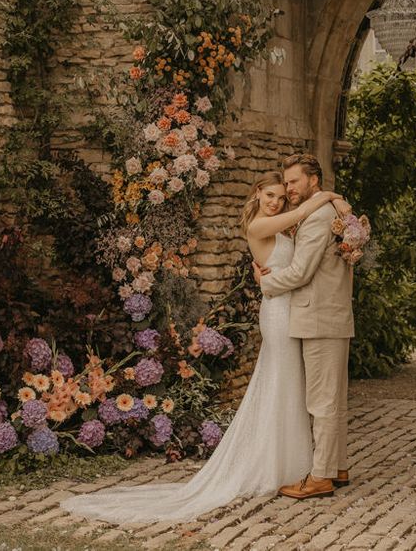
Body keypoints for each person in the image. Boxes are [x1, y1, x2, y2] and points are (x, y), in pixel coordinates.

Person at [59, 171, 349, 523]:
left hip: (291, 307)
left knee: (291, 386)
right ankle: (280, 465)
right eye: (270, 194)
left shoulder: (278, 224)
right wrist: (325, 197)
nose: (276, 201)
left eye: (281, 197)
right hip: (278, 309)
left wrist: (335, 208)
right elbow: (302, 217)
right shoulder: (260, 225)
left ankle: (298, 462)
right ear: (256, 194)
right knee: (281, 384)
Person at [254, 154, 354, 500]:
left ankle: (322, 476)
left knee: (322, 402)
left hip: (318, 318)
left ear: (314, 180)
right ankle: (338, 466)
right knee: (334, 399)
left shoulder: (317, 218)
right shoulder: (334, 211)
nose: (288, 188)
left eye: (294, 182)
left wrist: (265, 284)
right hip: (333, 315)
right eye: (285, 182)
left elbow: (300, 272)